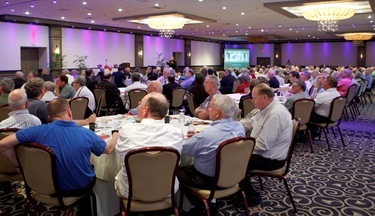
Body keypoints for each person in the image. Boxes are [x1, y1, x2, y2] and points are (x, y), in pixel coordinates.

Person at [0, 97, 118, 193]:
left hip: (44, 185)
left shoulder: (36, 131)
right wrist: (115, 136)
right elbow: (107, 149)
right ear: (69, 112)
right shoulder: (86, 134)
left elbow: (3, 145)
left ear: (49, 117)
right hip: (78, 187)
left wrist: (19, 166)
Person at [115, 92, 183, 198]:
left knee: (116, 172)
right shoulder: (176, 133)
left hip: (132, 193)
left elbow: (118, 153)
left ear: (145, 109)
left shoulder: (127, 131)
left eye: (140, 104)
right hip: (167, 191)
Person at [177, 94, 245, 189]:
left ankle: (197, 203)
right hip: (234, 175)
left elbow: (184, 149)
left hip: (208, 180)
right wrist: (198, 139)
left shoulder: (207, 134)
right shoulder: (239, 127)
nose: (208, 109)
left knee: (174, 172)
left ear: (218, 113)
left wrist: (189, 139)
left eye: (210, 107)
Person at [242, 84, 293, 204]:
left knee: (232, 161)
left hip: (270, 159)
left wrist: (241, 149)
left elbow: (263, 145)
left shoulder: (275, 114)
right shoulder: (266, 110)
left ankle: (251, 196)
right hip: (263, 153)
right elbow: (250, 124)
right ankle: (237, 189)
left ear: (264, 98)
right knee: (231, 157)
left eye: (254, 98)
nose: (252, 100)